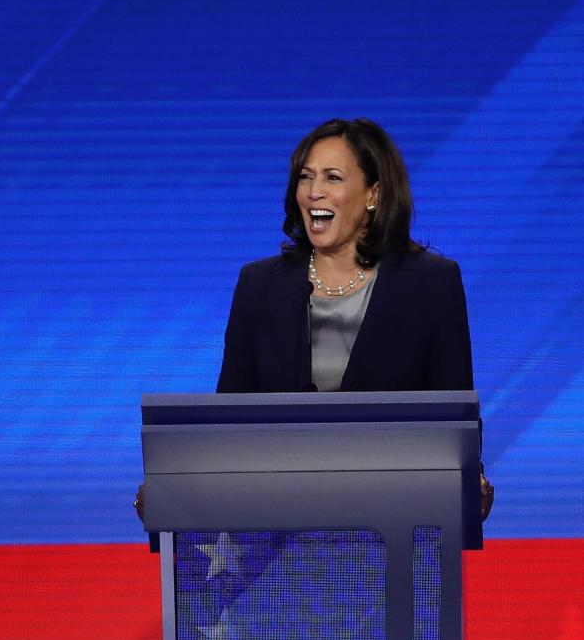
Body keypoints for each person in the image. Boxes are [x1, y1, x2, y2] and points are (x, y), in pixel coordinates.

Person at [136, 117, 492, 519]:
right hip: (277, 529)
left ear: (373, 194)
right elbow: (229, 421)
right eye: (306, 177)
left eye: (333, 177)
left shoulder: (432, 284)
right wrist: (178, 481)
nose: (314, 192)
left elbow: (454, 418)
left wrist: (468, 479)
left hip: (395, 524)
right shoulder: (259, 285)